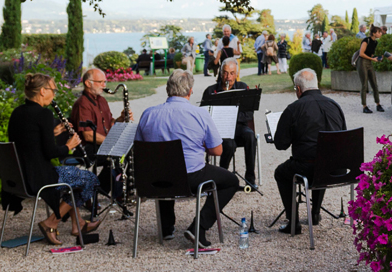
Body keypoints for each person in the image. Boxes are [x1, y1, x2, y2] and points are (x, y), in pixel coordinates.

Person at [134, 69, 238, 246]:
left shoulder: (148, 114)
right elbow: (217, 151)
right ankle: (199, 227)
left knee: (163, 163)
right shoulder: (199, 114)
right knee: (231, 181)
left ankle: (166, 228)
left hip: (154, 180)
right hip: (188, 179)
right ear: (190, 91)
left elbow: (140, 147)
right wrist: (200, 145)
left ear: (168, 89)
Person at [6, 73, 101, 246]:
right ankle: (51, 222)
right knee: (89, 179)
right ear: (43, 91)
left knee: (75, 176)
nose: (54, 94)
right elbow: (50, 153)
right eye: (53, 90)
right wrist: (69, 145)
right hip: (39, 177)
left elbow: (29, 142)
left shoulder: (17, 112)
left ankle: (78, 223)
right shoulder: (44, 114)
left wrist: (53, 133)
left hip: (20, 175)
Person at [273, 68, 346, 234]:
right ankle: (315, 213)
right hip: (336, 168)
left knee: (281, 173)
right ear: (316, 84)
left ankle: (294, 222)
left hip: (307, 169)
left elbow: (281, 144)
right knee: (323, 158)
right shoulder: (335, 105)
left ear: (298, 89)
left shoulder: (294, 108)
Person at [69, 67, 133, 201]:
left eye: (105, 82)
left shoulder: (102, 100)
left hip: (101, 145)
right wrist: (113, 144)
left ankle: (125, 190)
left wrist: (121, 118)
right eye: (101, 82)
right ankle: (100, 191)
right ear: (88, 83)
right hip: (87, 148)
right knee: (116, 157)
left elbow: (110, 124)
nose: (104, 85)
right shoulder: (82, 103)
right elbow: (87, 135)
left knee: (131, 151)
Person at [200, 60, 257, 188]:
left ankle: (250, 179)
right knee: (230, 145)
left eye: (232, 73)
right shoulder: (210, 91)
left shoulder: (243, 87)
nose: (228, 77)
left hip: (239, 127)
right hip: (219, 130)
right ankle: (222, 179)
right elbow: (203, 116)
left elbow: (248, 114)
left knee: (250, 136)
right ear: (220, 73)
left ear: (236, 74)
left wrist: (230, 116)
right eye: (225, 73)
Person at [357, 26, 384, 113]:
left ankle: (378, 104)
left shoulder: (375, 42)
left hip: (369, 62)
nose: (381, 34)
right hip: (362, 62)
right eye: (379, 32)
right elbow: (361, 53)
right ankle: (364, 106)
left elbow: (370, 54)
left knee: (374, 84)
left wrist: (376, 58)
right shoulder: (366, 40)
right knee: (364, 85)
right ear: (374, 33)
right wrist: (372, 59)